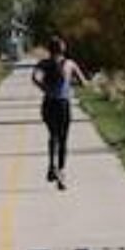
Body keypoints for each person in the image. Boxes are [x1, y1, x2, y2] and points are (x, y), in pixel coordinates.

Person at [31, 35, 87, 189]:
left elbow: (34, 78)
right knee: (63, 139)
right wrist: (72, 84)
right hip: (63, 104)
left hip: (48, 103)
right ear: (64, 49)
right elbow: (84, 83)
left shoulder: (43, 63)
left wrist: (45, 89)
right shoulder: (70, 64)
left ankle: (51, 166)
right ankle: (61, 173)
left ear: (49, 50)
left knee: (53, 135)